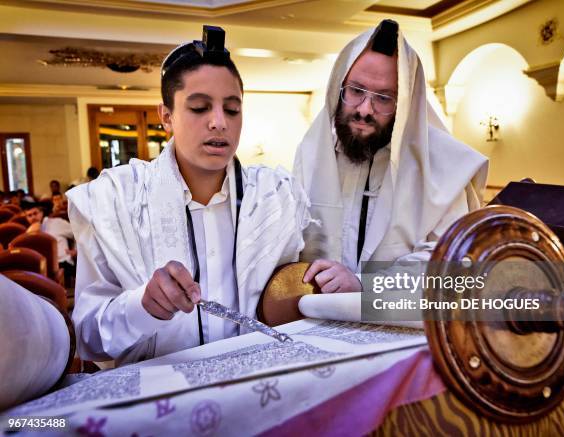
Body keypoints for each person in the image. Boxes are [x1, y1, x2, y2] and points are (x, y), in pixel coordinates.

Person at [67, 25, 311, 366]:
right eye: (199, 108)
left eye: (231, 109)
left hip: (256, 390)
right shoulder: (113, 201)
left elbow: (289, 294)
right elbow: (89, 340)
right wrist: (142, 307)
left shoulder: (277, 198)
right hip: (158, 403)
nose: (218, 123)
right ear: (166, 117)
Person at [294, 20, 488, 292]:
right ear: (339, 88)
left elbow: (450, 262)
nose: (364, 109)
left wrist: (364, 286)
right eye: (356, 91)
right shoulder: (312, 155)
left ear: (405, 104)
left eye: (383, 98)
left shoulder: (445, 168)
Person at [23, 201, 76, 283]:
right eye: (29, 215)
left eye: (35, 213)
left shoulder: (57, 223)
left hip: (62, 263)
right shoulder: (28, 231)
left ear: (41, 213)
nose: (33, 217)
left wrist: (76, 250)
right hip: (40, 267)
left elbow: (78, 234)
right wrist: (30, 234)